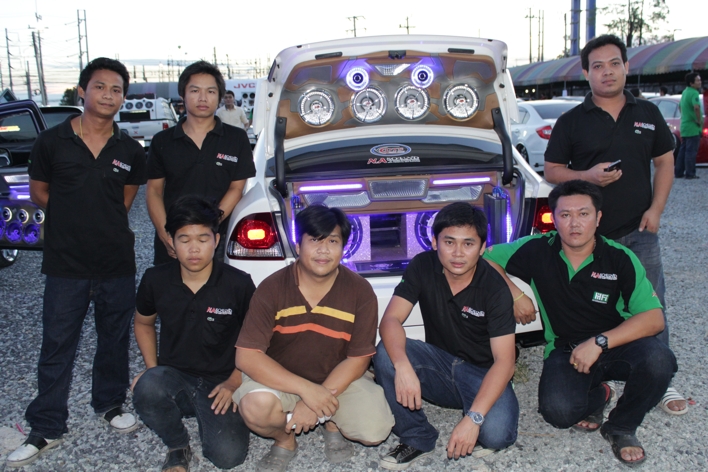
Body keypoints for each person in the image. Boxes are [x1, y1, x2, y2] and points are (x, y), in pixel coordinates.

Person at [7, 58, 147, 468]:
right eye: (100, 87)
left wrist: (97, 219)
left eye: (116, 89)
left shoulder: (129, 149)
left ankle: (110, 404)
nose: (108, 95)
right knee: (57, 343)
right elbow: (39, 192)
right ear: (82, 91)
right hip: (65, 262)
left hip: (115, 260)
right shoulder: (52, 142)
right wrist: (75, 218)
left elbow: (124, 200)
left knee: (113, 339)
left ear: (123, 97)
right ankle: (46, 425)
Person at [485, 180, 677, 466]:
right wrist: (514, 294)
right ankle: (600, 394)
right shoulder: (537, 249)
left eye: (584, 214)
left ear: (598, 218)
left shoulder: (620, 258)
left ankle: (621, 426)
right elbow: (485, 258)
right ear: (554, 219)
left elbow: (654, 319)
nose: (574, 223)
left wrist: (599, 342)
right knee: (558, 413)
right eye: (565, 215)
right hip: (566, 348)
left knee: (660, 360)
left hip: (616, 342)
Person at [543, 34, 686, 416]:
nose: (607, 72)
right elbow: (552, 170)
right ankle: (594, 374)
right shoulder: (572, 121)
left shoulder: (647, 113)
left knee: (652, 303)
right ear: (586, 73)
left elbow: (665, 163)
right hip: (592, 239)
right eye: (598, 66)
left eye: (614, 64)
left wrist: (656, 210)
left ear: (626, 67)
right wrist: (587, 175)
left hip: (640, 231)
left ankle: (662, 379)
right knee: (591, 305)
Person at [233, 205, 394, 472]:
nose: (323, 250)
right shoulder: (272, 287)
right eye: (315, 240)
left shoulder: (360, 291)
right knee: (256, 408)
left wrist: (317, 401)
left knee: (376, 429)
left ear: (343, 248)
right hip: (281, 380)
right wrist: (307, 392)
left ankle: (330, 421)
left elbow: (359, 359)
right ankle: (285, 440)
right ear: (298, 246)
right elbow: (247, 356)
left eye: (332, 241)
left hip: (337, 381)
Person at [374, 202, 518, 470]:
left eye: (468, 244)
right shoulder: (422, 266)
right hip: (439, 366)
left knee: (497, 435)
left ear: (482, 247)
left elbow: (505, 362)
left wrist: (473, 419)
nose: (458, 253)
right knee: (386, 352)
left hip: (482, 374)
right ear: (434, 242)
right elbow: (391, 319)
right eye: (449, 242)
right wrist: (402, 366)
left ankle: (476, 410)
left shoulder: (494, 289)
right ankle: (417, 437)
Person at [131, 195, 254, 472]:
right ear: (171, 242)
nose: (194, 248)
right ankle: (178, 446)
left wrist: (235, 381)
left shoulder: (238, 284)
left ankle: (207, 415)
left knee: (228, 457)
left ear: (216, 240)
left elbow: (256, 338)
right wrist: (152, 369)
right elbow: (143, 323)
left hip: (222, 383)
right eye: (184, 239)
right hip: (176, 376)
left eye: (202, 238)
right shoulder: (155, 279)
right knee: (147, 387)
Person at [146, 61, 255, 266]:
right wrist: (165, 232)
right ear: (183, 94)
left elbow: (236, 188)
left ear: (219, 96)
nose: (203, 98)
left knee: (220, 286)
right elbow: (154, 191)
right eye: (195, 90)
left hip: (218, 238)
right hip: (174, 237)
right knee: (169, 286)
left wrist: (208, 229)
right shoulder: (162, 141)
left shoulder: (236, 139)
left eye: (211, 91)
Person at [675, 72, 703, 179]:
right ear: (691, 83)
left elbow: (680, 106)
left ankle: (678, 172)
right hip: (692, 127)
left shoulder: (685, 92)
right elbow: (696, 107)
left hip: (684, 125)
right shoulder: (694, 93)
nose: (700, 82)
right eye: (698, 80)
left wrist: (685, 116)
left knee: (683, 151)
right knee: (691, 151)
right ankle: (690, 173)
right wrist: (698, 120)